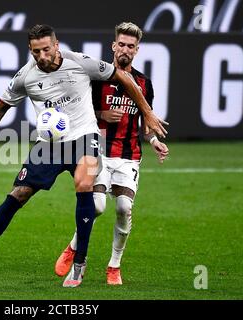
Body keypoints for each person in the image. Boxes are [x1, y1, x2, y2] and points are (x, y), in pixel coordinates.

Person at [0, 24, 168, 288]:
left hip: (85, 138)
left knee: (85, 183)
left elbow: (122, 77)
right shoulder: (25, 77)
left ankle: (79, 264)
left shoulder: (80, 62)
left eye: (46, 49)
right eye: (35, 52)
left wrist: (146, 112)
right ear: (30, 51)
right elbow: (0, 108)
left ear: (56, 45)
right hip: (50, 144)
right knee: (18, 194)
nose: (42, 56)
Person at [54, 22, 169, 285]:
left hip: (129, 155)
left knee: (123, 207)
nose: (125, 50)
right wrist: (101, 114)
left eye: (131, 46)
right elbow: (76, 114)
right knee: (96, 205)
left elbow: (146, 121)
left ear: (137, 50)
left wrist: (154, 141)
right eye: (122, 45)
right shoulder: (95, 79)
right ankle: (74, 247)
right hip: (99, 150)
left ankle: (114, 266)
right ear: (113, 46)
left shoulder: (143, 83)